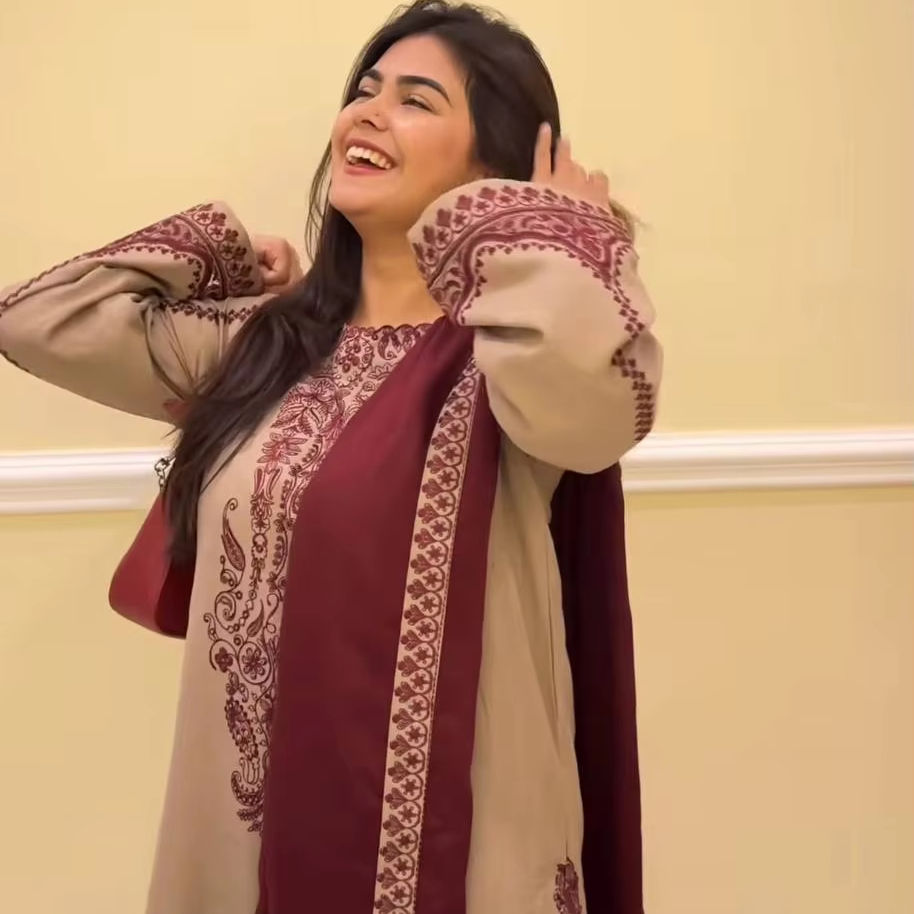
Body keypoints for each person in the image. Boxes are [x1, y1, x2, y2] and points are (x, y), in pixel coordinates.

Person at [0, 2, 661, 912]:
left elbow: (595, 410)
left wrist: (556, 234)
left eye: (417, 100)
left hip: (456, 840)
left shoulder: (507, 363)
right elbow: (36, 321)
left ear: (492, 167)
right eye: (365, 90)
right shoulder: (265, 343)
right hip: (242, 833)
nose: (369, 114)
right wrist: (230, 260)